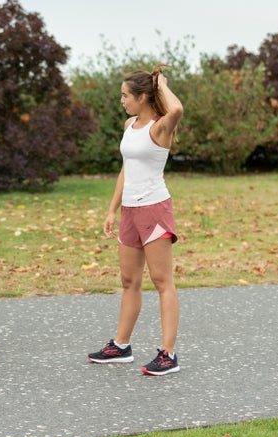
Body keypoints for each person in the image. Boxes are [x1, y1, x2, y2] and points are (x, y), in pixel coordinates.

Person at [87, 64, 184, 376]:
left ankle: (168, 354)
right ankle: (121, 345)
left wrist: (162, 84)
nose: (122, 101)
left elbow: (177, 108)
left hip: (154, 208)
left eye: (126, 95)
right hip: (130, 210)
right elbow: (126, 169)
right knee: (129, 281)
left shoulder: (161, 127)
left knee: (162, 281)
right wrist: (112, 210)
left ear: (144, 96)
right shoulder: (130, 125)